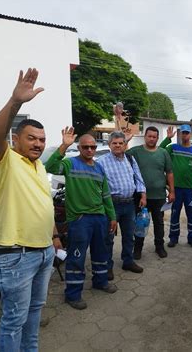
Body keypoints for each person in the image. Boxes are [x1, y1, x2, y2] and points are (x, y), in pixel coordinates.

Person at [0, 68, 60, 350]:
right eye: (32, 138)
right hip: (17, 254)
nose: (38, 144)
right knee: (14, 320)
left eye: (41, 140)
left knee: (33, 314)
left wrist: (54, 239)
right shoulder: (4, 160)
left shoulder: (39, 165)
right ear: (16, 139)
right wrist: (15, 102)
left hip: (43, 252)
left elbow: (44, 205)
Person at [45, 129, 118, 310]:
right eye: (86, 147)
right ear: (79, 148)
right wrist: (64, 145)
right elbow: (50, 167)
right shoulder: (70, 164)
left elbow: (106, 195)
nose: (90, 150)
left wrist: (112, 217)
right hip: (80, 220)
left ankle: (100, 281)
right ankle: (73, 294)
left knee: (101, 253)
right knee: (77, 257)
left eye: (93, 147)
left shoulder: (99, 168)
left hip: (100, 218)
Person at [98, 132, 146, 274]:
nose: (118, 145)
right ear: (109, 145)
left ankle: (128, 261)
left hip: (129, 204)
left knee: (129, 235)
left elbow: (139, 178)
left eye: (120, 143)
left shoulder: (130, 159)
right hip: (111, 205)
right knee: (108, 237)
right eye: (115, 143)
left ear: (125, 145)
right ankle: (107, 267)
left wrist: (143, 195)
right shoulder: (101, 161)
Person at [127, 126, 175, 259]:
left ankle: (159, 247)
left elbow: (170, 173)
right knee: (140, 223)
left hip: (159, 196)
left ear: (157, 138)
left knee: (159, 223)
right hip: (141, 196)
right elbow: (121, 155)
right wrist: (125, 140)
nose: (152, 139)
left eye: (154, 137)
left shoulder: (163, 153)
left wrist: (172, 191)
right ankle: (137, 249)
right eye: (149, 136)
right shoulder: (136, 152)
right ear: (145, 136)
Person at [160, 124, 192, 248]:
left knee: (191, 214)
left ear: (190, 134)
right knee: (175, 213)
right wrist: (168, 138)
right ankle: (173, 238)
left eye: (187, 133)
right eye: (183, 133)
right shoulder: (173, 148)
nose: (185, 135)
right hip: (175, 189)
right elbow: (160, 150)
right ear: (180, 134)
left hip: (190, 189)